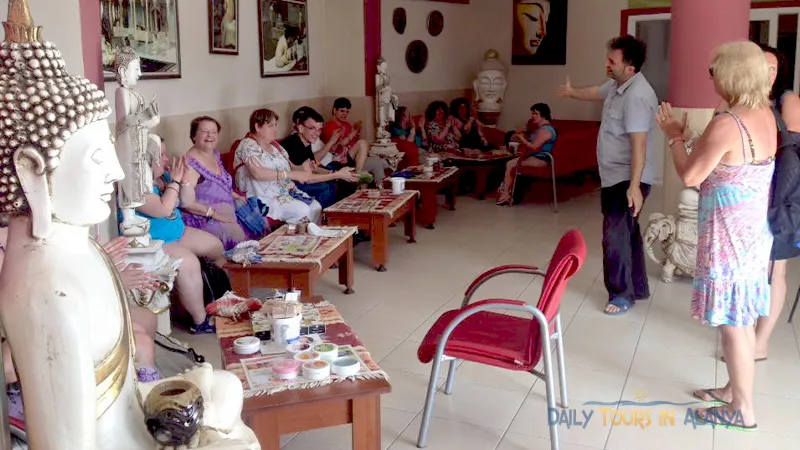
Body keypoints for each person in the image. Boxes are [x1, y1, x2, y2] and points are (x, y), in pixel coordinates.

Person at [657, 41, 776, 431]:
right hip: (751, 235)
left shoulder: (727, 122)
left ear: (731, 75)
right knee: (739, 319)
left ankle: (742, 408)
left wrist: (675, 136)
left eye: (713, 71)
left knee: (733, 324)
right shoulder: (763, 114)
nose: (711, 78)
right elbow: (728, 163)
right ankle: (732, 391)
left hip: (729, 238)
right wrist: (695, 140)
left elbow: (691, 176)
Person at [556, 34, 658, 316]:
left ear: (630, 66)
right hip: (616, 176)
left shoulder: (637, 96)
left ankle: (621, 294)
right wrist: (571, 91)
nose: (606, 64)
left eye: (612, 61)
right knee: (627, 232)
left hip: (627, 177)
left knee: (614, 235)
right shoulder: (619, 85)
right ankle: (636, 287)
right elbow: (594, 92)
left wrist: (634, 186)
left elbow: (639, 144)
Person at [135, 137, 226, 334]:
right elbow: (163, 209)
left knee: (216, 247)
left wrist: (183, 181)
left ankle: (213, 296)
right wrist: (175, 181)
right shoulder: (137, 185)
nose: (167, 159)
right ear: (145, 159)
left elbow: (186, 201)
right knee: (189, 263)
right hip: (155, 240)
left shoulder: (163, 177)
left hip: (178, 232)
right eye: (161, 156)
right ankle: (199, 320)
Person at [235, 109, 357, 224]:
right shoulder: (248, 144)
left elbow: (292, 167)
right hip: (263, 198)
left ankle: (309, 240)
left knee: (316, 207)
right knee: (302, 211)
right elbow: (258, 173)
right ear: (257, 127)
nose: (275, 129)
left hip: (285, 192)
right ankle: (290, 242)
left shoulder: (275, 146)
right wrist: (289, 174)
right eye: (271, 125)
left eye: (276, 125)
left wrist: (303, 168)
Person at [181, 116, 264, 250]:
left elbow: (220, 185)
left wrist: (237, 196)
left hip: (227, 213)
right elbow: (186, 202)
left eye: (214, 132)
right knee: (240, 240)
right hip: (205, 220)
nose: (210, 136)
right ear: (194, 135)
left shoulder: (214, 154)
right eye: (204, 131)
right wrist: (215, 214)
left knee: (258, 219)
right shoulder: (190, 164)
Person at [281, 107, 357, 208]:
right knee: (328, 187)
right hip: (289, 186)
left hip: (302, 180)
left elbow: (313, 166)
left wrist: (335, 174)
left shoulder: (305, 141)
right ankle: (328, 218)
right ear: (301, 128)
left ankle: (342, 215)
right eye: (312, 128)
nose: (317, 134)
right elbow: (308, 178)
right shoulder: (293, 144)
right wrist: (337, 175)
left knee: (343, 181)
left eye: (319, 130)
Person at [496, 103, 557, 205]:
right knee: (509, 162)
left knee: (510, 164)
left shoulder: (546, 130)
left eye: (535, 114)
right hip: (535, 157)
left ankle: (505, 195)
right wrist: (520, 137)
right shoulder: (540, 129)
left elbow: (534, 147)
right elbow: (532, 142)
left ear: (543, 115)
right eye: (532, 113)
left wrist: (522, 139)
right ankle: (508, 193)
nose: (532, 116)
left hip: (542, 160)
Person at [322, 97, 389, 184]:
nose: (345, 114)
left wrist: (357, 130)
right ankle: (358, 175)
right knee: (363, 143)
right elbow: (338, 147)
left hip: (353, 158)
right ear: (335, 110)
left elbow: (355, 143)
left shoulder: (347, 125)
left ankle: (380, 189)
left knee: (378, 161)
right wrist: (353, 133)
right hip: (341, 160)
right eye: (342, 111)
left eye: (347, 112)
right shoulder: (330, 126)